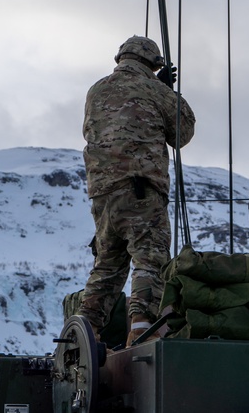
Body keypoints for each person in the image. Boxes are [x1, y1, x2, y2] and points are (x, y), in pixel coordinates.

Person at [79, 35, 196, 345]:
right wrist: (167, 92)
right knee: (149, 257)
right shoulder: (155, 90)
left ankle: (86, 328)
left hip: (102, 194)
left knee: (108, 264)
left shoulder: (96, 90)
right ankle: (142, 326)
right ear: (153, 64)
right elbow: (182, 132)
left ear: (122, 58)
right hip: (141, 190)